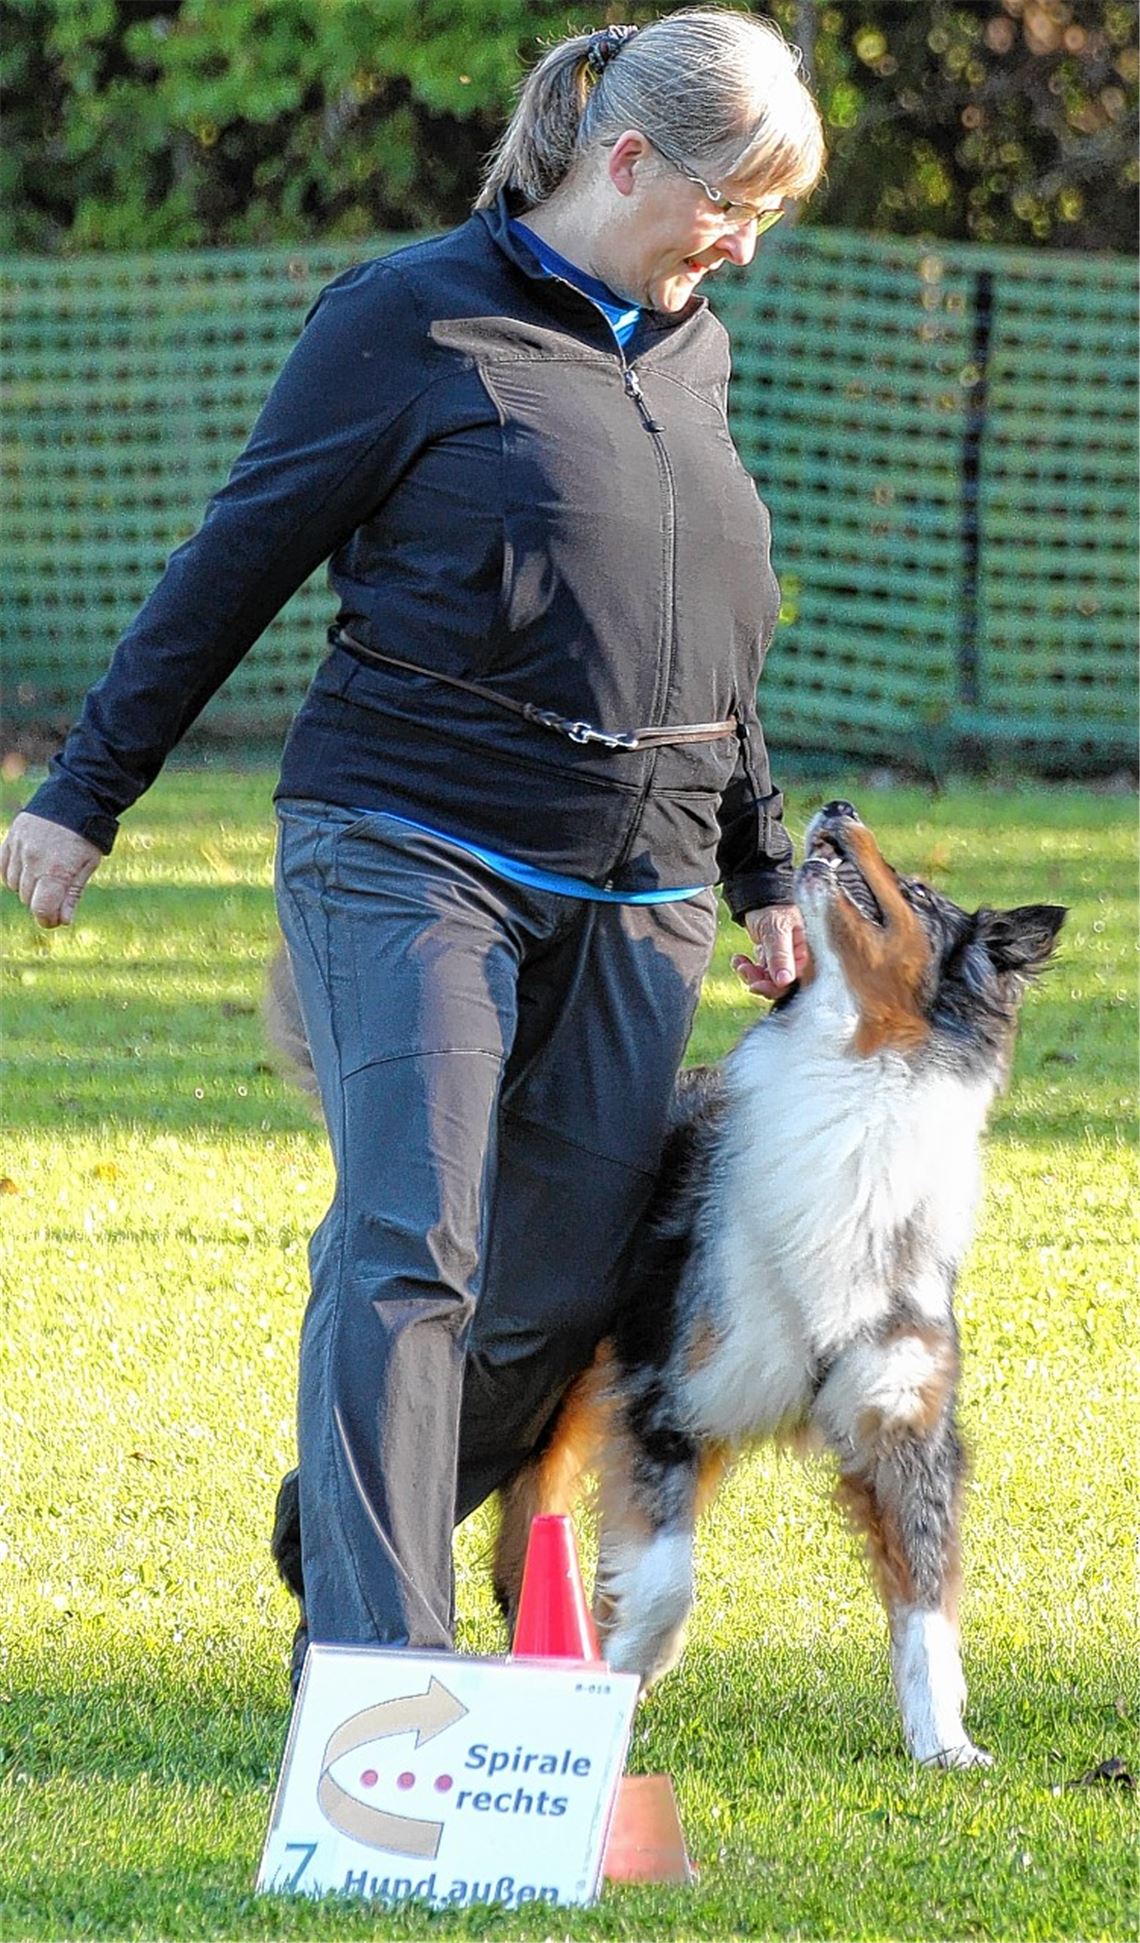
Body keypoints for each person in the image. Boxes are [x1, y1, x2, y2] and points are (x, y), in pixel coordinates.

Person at [1, 9, 825, 1670]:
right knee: (412, 1241)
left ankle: (348, 1513)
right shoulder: (408, 316)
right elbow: (236, 558)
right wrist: (83, 793)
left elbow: (707, 638)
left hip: (646, 877)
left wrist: (758, 869)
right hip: (407, 841)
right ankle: (382, 1683)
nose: (745, 242)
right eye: (734, 200)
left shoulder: (694, 348)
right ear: (627, 158)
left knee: (560, 1283)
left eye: (769, 212)